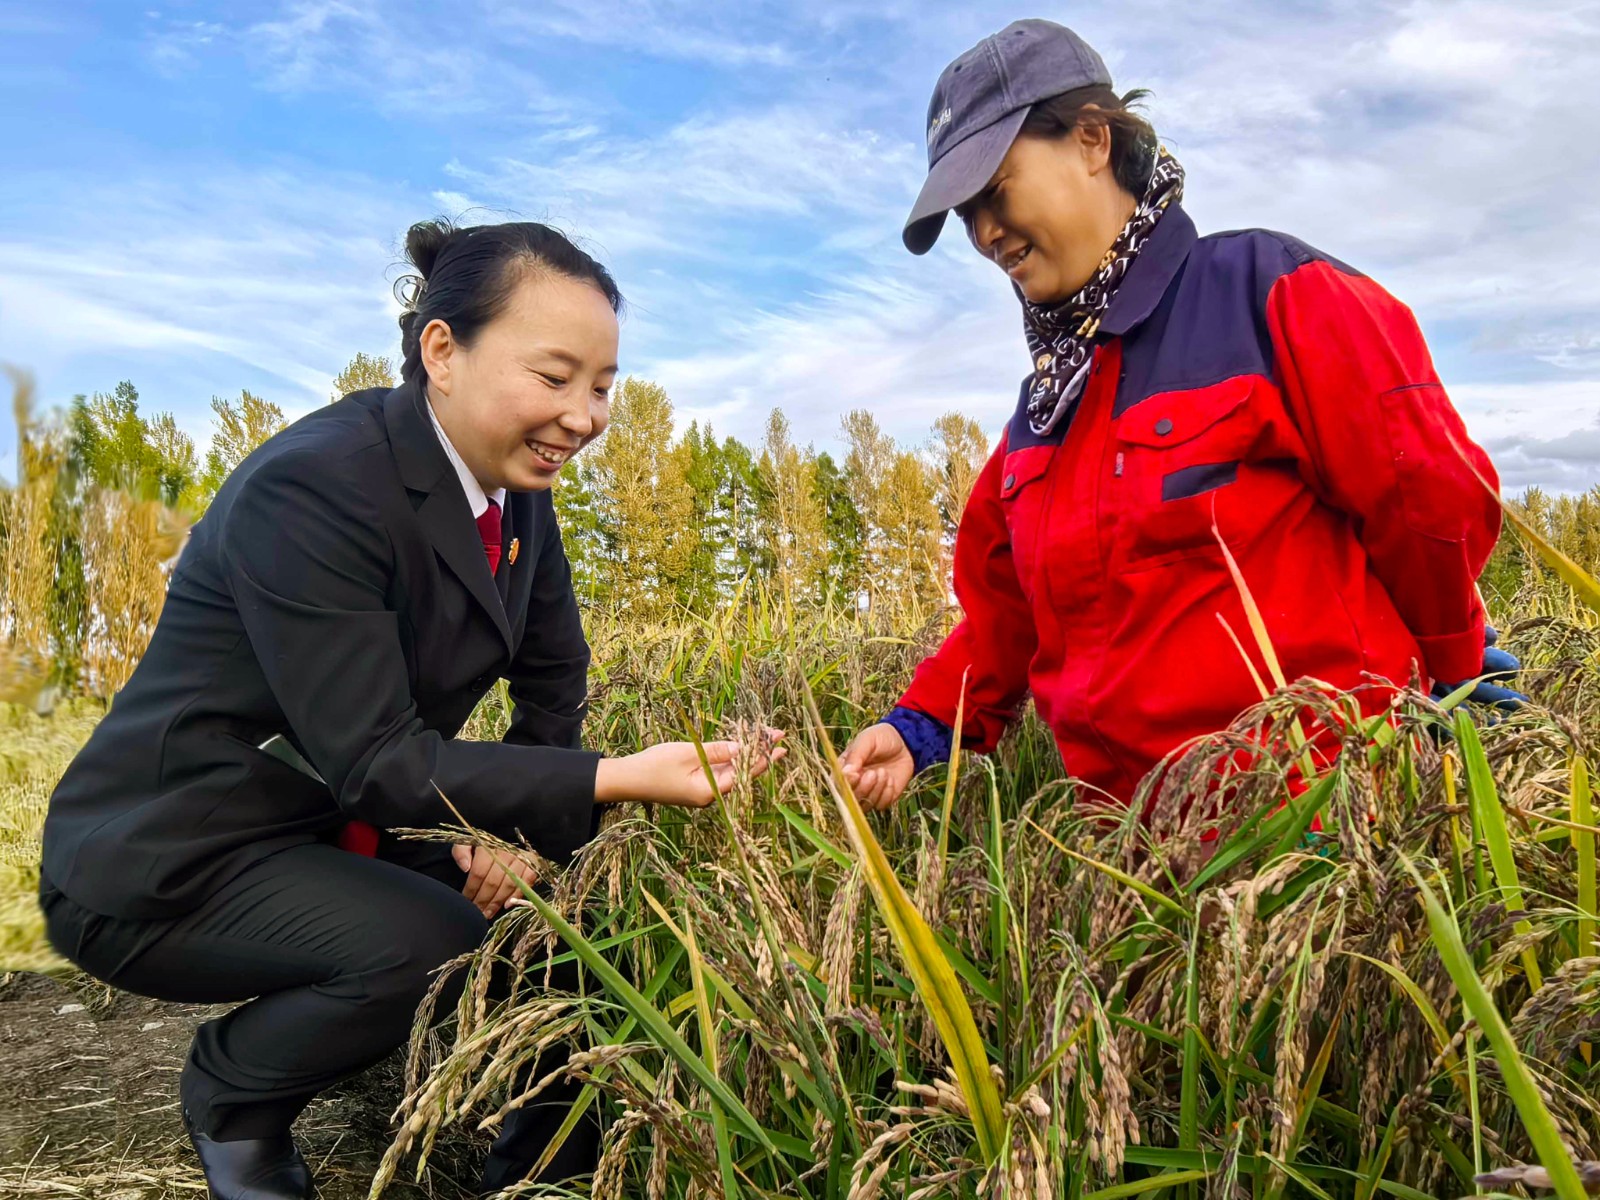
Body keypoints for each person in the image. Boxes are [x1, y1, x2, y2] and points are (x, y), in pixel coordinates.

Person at [38, 219, 782, 1200]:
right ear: (442, 350)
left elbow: (554, 676)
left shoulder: (516, 493)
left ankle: (539, 1181)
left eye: (602, 385)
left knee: (561, 935)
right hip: (182, 847)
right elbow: (379, 762)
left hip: (344, 817)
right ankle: (233, 1092)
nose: (585, 414)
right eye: (554, 377)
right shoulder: (313, 487)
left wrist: (512, 836)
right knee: (431, 946)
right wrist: (614, 779)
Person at [840, 19, 1505, 814]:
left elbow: (1430, 496)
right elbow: (1005, 611)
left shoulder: (1272, 293)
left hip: (1330, 838)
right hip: (1134, 876)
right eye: (964, 213)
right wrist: (918, 729)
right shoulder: (1041, 412)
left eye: (996, 188)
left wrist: (1452, 678)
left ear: (1091, 140)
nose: (983, 232)